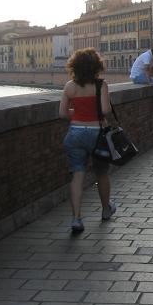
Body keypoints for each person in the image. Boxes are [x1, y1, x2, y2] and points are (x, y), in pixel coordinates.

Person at [58, 48, 116, 233]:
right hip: (97, 134)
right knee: (102, 173)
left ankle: (76, 219)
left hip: (75, 133)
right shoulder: (101, 85)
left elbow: (62, 113)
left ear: (75, 66)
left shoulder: (70, 86)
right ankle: (106, 210)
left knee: (77, 175)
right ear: (96, 66)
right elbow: (105, 110)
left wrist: (78, 114)